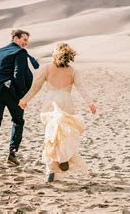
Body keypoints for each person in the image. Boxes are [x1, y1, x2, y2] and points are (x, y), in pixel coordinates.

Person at [19, 42, 97, 182]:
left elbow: (35, 87)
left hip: (50, 104)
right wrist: (90, 103)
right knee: (64, 136)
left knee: (51, 137)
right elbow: (82, 88)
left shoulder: (47, 68)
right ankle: (63, 159)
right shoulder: (73, 71)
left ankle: (51, 169)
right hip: (66, 104)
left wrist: (25, 100)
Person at [0, 29, 39, 172]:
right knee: (18, 121)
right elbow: (18, 74)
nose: (26, 43)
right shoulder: (20, 52)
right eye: (24, 39)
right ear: (15, 38)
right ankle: (12, 154)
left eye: (27, 40)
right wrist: (21, 94)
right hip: (11, 94)